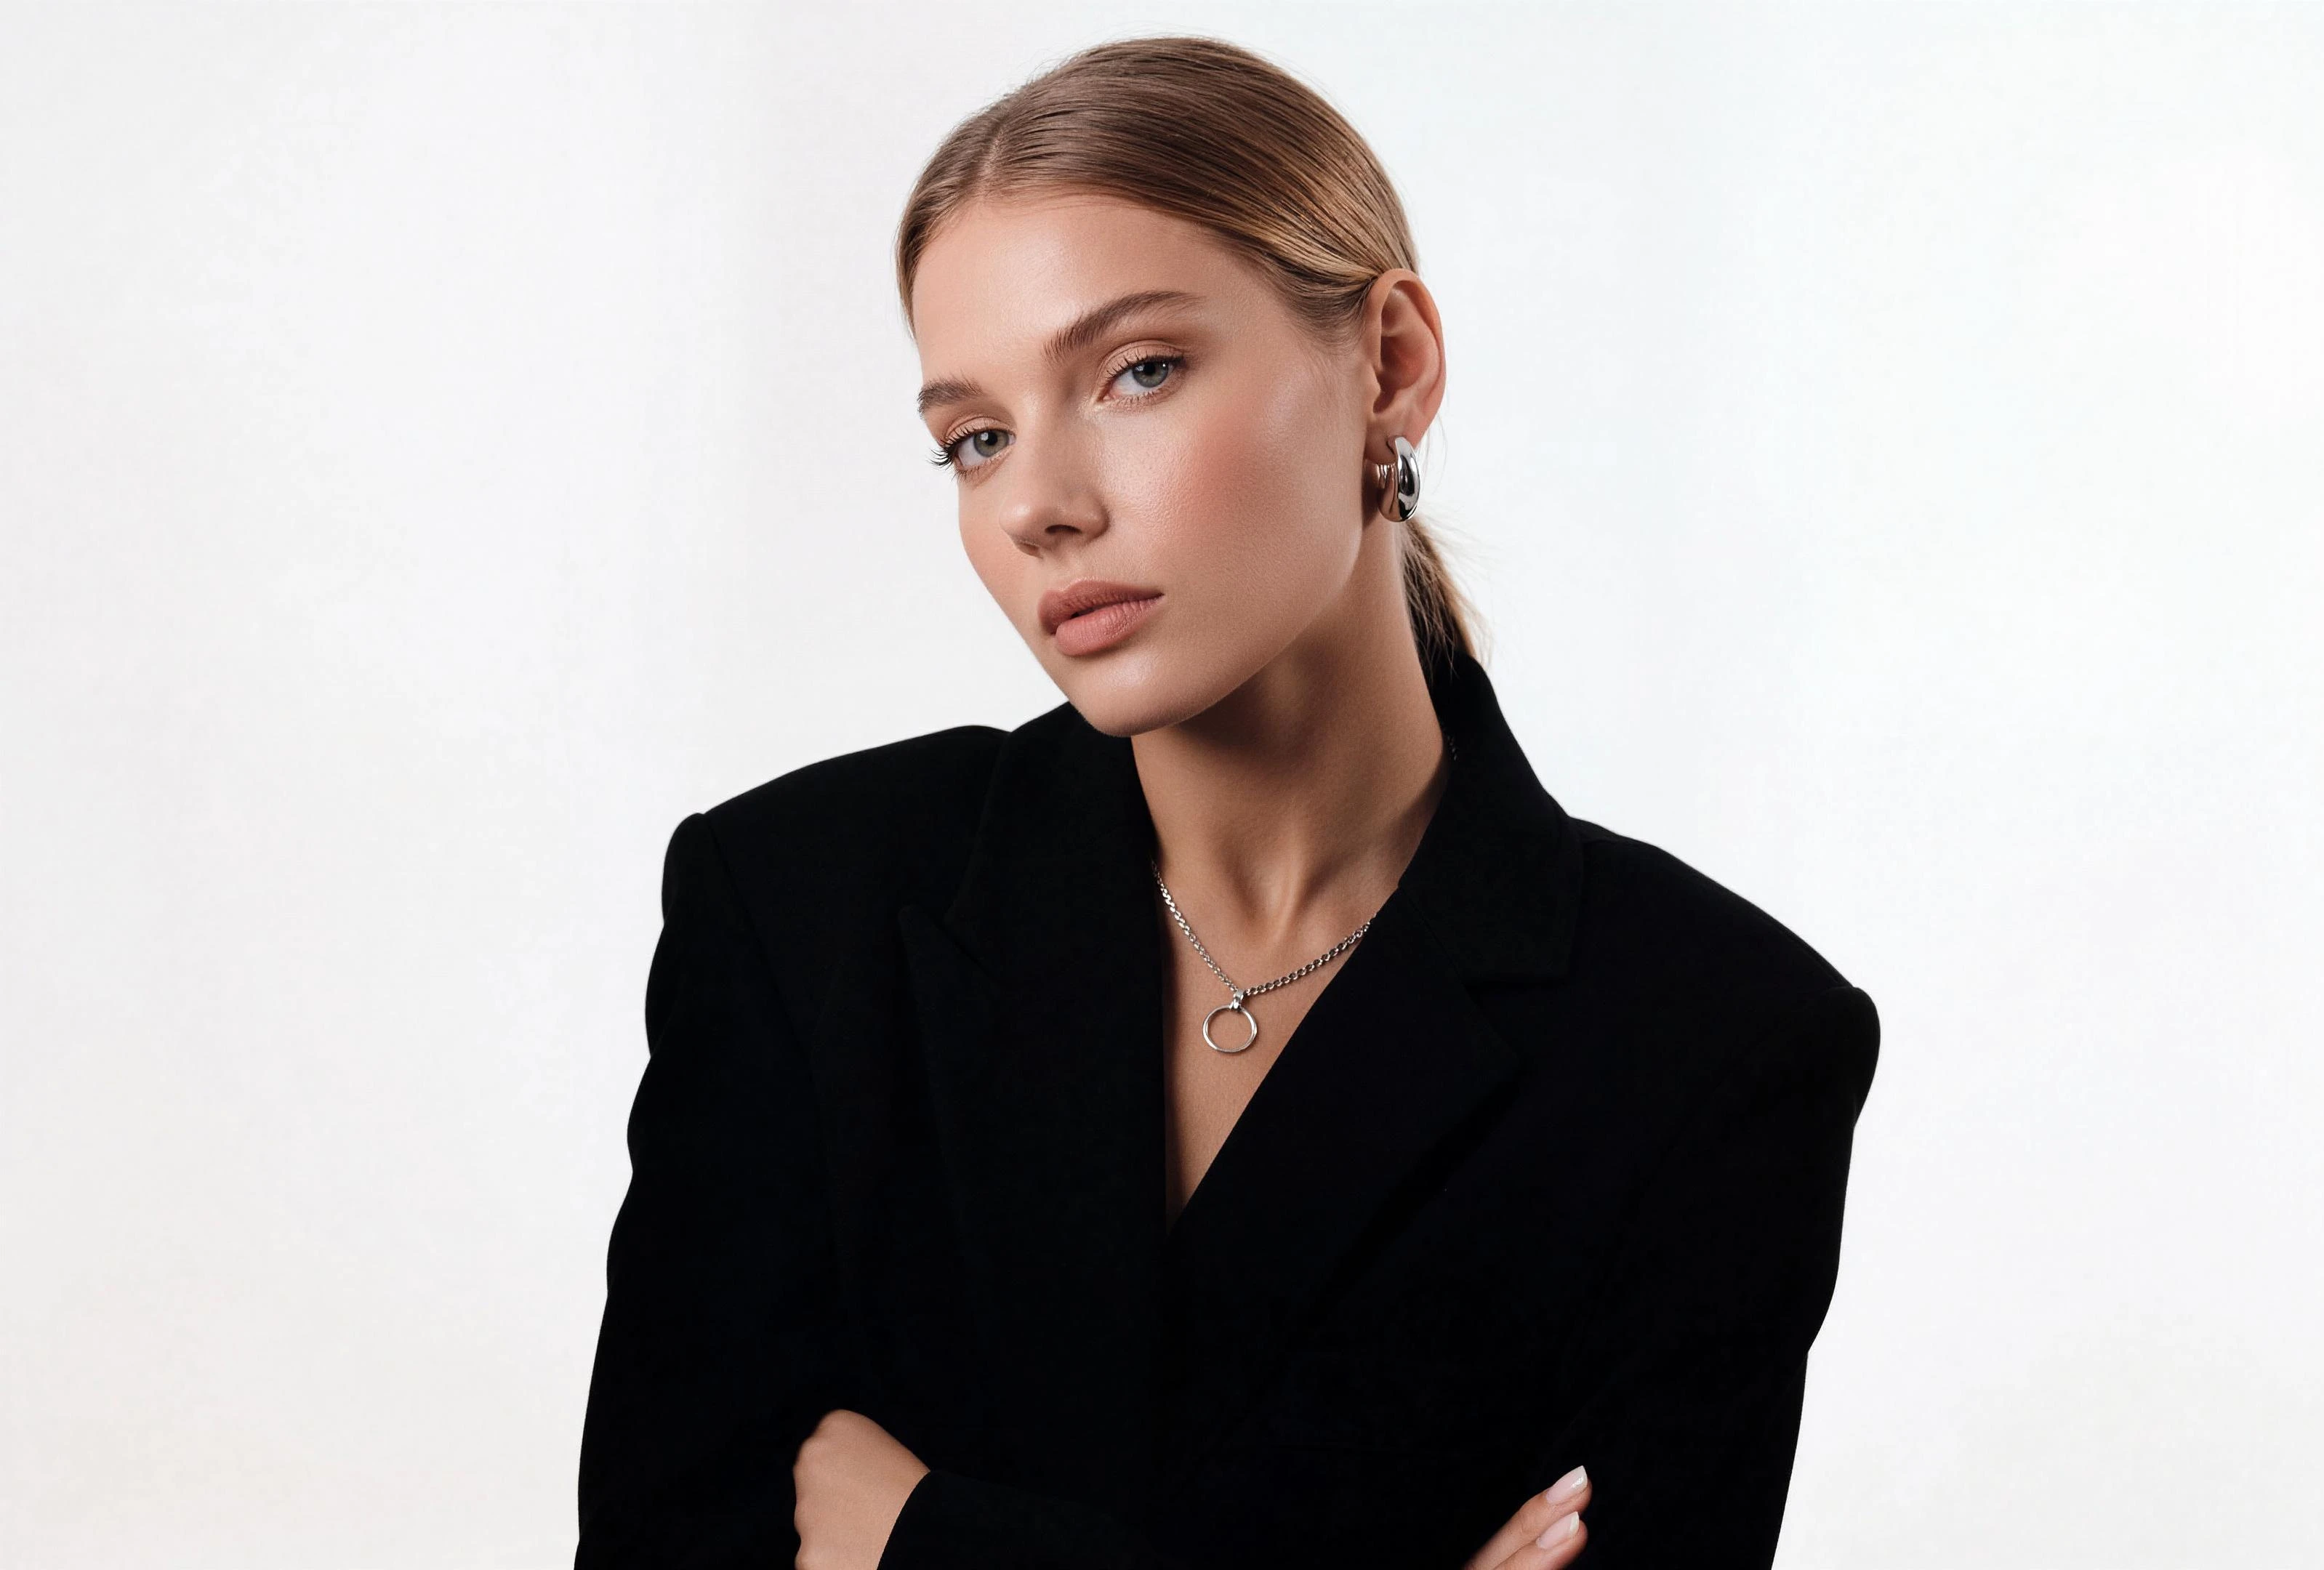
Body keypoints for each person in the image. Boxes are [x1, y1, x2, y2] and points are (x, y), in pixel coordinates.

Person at [574, 33, 1878, 1570]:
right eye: (976, 439)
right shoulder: (801, 912)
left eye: (1137, 372)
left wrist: (927, 1536)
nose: (1038, 505)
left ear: (1389, 363)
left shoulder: (1717, 1041)